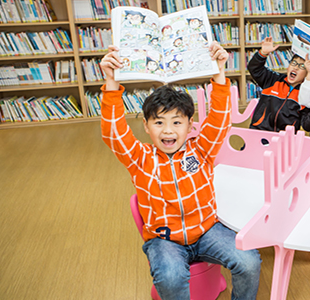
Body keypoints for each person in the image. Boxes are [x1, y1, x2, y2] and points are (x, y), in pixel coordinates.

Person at [99, 42, 261, 300]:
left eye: (177, 122)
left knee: (250, 261)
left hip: (207, 230)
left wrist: (219, 73)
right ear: (146, 125)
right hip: (165, 241)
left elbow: (219, 119)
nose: (168, 130)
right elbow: (113, 133)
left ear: (189, 125)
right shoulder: (140, 157)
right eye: (159, 122)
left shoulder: (201, 150)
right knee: (171, 278)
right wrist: (110, 83)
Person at [247, 37, 310, 133]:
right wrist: (263, 53)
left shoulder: (306, 95)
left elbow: (307, 126)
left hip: (285, 139)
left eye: (302, 66)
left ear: (308, 72)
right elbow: (254, 69)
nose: (295, 67)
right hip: (259, 132)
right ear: (288, 67)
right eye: (293, 63)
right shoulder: (273, 80)